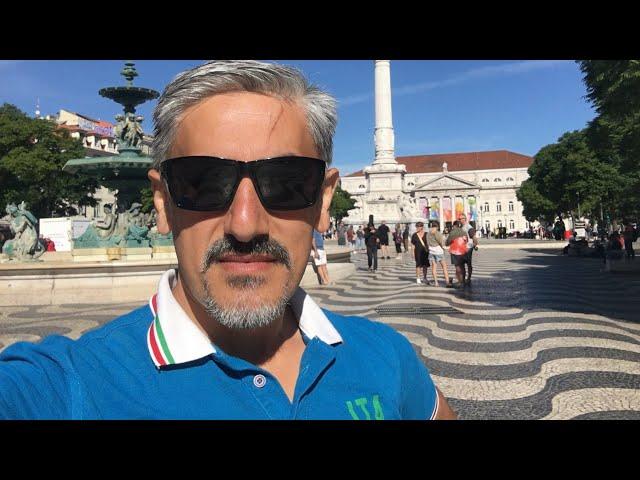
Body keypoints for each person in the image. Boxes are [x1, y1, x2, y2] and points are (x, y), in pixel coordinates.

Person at [0, 61, 456, 420]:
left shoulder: (388, 358)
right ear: (162, 202)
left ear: (322, 200)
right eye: (202, 182)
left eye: (287, 182)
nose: (245, 225)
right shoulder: (68, 386)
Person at [426, 221, 450, 288]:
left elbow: (427, 243)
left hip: (431, 252)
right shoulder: (437, 233)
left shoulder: (428, 234)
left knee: (434, 267)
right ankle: (447, 282)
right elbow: (441, 243)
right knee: (444, 267)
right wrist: (445, 248)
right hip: (439, 252)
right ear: (437, 227)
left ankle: (436, 282)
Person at [446, 220, 469, 288]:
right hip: (463, 251)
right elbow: (466, 241)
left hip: (455, 251)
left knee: (458, 267)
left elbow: (447, 242)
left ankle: (460, 282)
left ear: (454, 225)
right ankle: (463, 281)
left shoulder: (453, 232)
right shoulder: (464, 232)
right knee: (462, 266)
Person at [459, 214, 478, 284]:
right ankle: (463, 278)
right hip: (462, 248)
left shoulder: (468, 227)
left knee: (468, 263)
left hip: (468, 248)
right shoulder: (462, 227)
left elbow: (474, 238)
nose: (460, 220)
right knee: (462, 264)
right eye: (459, 219)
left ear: (465, 219)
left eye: (461, 219)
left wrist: (474, 245)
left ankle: (469, 278)